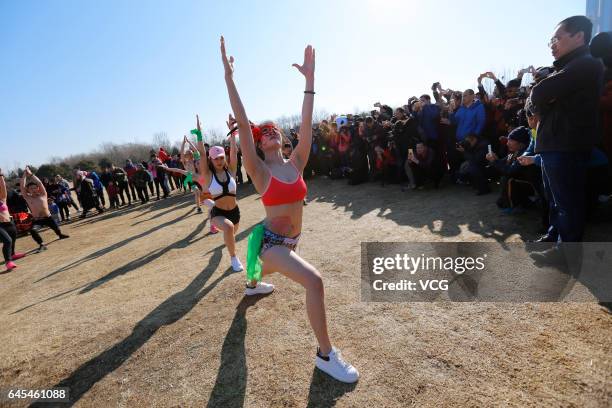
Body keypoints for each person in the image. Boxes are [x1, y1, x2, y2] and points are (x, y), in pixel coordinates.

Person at [221, 36, 358, 383]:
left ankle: (252, 283)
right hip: (271, 243)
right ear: (256, 139)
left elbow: (308, 125)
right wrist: (229, 78)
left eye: (273, 130)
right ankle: (327, 355)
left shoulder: (297, 162)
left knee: (259, 274)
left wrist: (310, 82)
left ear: (282, 137)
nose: (268, 133)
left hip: (285, 242)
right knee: (315, 282)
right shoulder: (259, 170)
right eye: (261, 131)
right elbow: (242, 118)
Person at [530, 15, 604, 242]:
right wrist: (540, 100)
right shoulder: (564, 68)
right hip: (552, 145)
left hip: (567, 145)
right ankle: (554, 238)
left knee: (568, 204)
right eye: (550, 41)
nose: (553, 45)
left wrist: (541, 98)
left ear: (579, 36)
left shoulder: (587, 64)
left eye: (557, 38)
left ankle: (567, 254)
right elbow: (533, 101)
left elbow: (538, 93)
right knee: (554, 201)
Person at [194, 113, 244, 271]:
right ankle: (234, 258)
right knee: (228, 229)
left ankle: (228, 247)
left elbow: (234, 152)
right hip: (218, 213)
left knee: (231, 234)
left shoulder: (232, 171)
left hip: (234, 211)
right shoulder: (208, 175)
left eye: (221, 157)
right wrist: (199, 133)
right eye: (216, 158)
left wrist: (232, 131)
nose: (219, 160)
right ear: (211, 159)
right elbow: (202, 154)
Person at [20, 167, 70, 247]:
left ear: (38, 188)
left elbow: (39, 183)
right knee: (33, 230)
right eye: (31, 188)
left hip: (48, 217)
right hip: (37, 220)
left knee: (56, 228)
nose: (33, 189)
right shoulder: (28, 198)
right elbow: (22, 187)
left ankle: (60, 235)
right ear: (28, 190)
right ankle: (41, 243)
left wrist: (31, 174)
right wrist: (24, 176)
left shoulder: (43, 195)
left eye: (35, 188)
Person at [0, 169, 26, 271]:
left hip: (8, 222)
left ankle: (13, 254)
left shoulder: (2, 199)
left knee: (13, 236)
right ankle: (8, 262)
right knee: (8, 241)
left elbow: (3, 189)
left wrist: (1, 175)